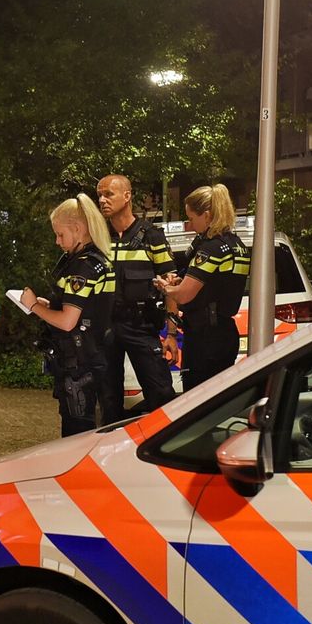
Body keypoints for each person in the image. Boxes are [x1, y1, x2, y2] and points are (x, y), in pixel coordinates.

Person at [19, 194, 116, 436]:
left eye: (60, 234)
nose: (56, 241)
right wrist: (48, 305)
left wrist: (33, 306)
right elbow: (83, 308)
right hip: (90, 359)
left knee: (76, 436)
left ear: (78, 228)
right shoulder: (96, 259)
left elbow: (67, 320)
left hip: (79, 366)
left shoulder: (83, 265)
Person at [96, 174, 177, 420]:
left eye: (108, 194)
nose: (102, 200)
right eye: (99, 194)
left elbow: (171, 285)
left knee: (161, 393)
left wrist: (171, 333)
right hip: (106, 328)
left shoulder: (151, 236)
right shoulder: (99, 238)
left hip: (140, 326)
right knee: (108, 400)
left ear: (127, 196)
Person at [155, 184, 250, 390]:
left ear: (206, 215)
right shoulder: (237, 244)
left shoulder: (212, 249)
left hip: (205, 337)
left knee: (197, 399)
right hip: (224, 332)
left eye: (191, 218)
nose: (190, 224)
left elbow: (185, 295)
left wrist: (166, 287)